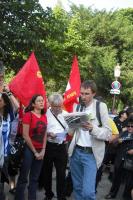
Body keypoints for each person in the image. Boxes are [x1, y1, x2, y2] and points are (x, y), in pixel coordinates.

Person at [68, 80, 111, 200]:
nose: (83, 96)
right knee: (77, 187)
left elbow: (107, 133)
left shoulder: (100, 106)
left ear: (94, 93)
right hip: (76, 152)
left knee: (88, 192)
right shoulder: (77, 106)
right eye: (81, 93)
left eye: (86, 94)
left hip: (91, 154)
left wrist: (93, 129)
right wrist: (70, 123)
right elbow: (71, 133)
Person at [15, 94, 47, 200]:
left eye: (42, 101)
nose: (42, 102)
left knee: (34, 178)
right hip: (29, 149)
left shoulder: (44, 116)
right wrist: (35, 152)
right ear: (33, 104)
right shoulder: (28, 115)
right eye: (39, 101)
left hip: (40, 150)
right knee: (23, 176)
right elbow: (25, 135)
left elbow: (45, 134)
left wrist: (42, 150)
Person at [39, 93, 68, 200]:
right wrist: (48, 133)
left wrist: (65, 136)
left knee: (61, 173)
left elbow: (70, 131)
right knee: (47, 172)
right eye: (55, 106)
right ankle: (48, 194)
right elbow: (41, 129)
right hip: (48, 146)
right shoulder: (45, 113)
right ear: (50, 104)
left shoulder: (66, 114)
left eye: (59, 106)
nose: (57, 108)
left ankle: (61, 196)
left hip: (61, 147)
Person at [105, 115, 133, 199]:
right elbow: (113, 144)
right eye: (128, 126)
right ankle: (112, 193)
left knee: (129, 182)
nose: (130, 128)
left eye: (132, 126)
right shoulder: (123, 133)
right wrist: (117, 141)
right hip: (120, 159)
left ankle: (126, 197)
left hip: (130, 162)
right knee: (116, 179)